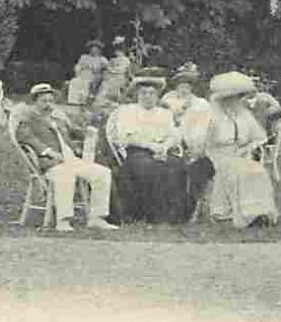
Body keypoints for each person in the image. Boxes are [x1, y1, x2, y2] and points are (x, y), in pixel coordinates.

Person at [15, 84, 119, 232]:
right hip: (51, 163)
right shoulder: (29, 119)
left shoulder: (58, 118)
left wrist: (87, 132)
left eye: (50, 101)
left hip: (72, 160)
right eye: (43, 101)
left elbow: (74, 132)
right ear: (35, 102)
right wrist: (48, 152)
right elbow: (26, 137)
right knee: (65, 174)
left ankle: (97, 218)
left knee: (102, 173)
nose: (48, 104)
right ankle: (63, 221)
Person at [204, 72, 277, 229]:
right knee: (236, 169)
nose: (235, 102)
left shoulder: (244, 115)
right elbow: (203, 142)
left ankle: (259, 212)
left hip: (241, 155)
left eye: (238, 98)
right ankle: (235, 213)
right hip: (217, 155)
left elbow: (259, 137)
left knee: (257, 170)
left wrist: (248, 149)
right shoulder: (212, 116)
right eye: (231, 98)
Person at [110, 73, 187, 223]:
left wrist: (164, 147)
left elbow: (175, 136)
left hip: (161, 150)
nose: (148, 96)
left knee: (176, 165)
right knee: (148, 167)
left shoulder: (164, 113)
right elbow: (126, 137)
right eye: (144, 93)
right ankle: (149, 215)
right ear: (137, 94)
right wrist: (152, 147)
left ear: (157, 95)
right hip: (137, 151)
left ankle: (172, 215)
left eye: (152, 93)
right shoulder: (127, 111)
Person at [165, 64, 214, 215]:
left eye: (187, 86)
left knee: (201, 163)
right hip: (172, 139)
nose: (184, 90)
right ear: (176, 87)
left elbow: (207, 125)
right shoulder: (168, 100)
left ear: (192, 88)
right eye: (180, 86)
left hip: (196, 139)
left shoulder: (201, 103)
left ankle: (198, 203)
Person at [69, 40, 109, 107]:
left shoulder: (102, 59)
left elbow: (106, 68)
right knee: (75, 81)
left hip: (93, 76)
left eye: (96, 48)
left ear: (99, 50)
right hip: (82, 75)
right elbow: (78, 66)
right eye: (92, 48)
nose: (94, 49)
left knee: (87, 83)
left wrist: (100, 68)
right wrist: (77, 71)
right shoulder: (84, 57)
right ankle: (74, 101)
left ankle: (84, 101)